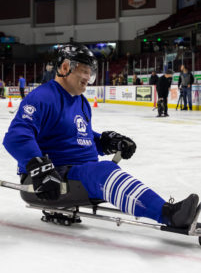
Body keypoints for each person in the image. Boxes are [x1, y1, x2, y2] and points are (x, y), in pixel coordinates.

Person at [3, 42, 199, 229]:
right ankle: (169, 214)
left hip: (76, 172)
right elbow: (16, 136)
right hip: (49, 181)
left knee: (102, 169)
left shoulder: (80, 101)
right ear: (65, 67)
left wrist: (105, 141)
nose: (89, 77)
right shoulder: (42, 97)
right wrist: (40, 168)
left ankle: (165, 210)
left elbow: (78, 136)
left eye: (91, 72)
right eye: (85, 70)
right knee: (103, 170)